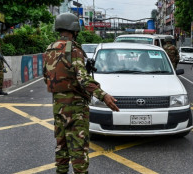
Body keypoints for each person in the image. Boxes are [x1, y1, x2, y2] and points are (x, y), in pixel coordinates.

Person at [43, 13, 119, 174]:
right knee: (78, 149)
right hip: (76, 108)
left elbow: (46, 76)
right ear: (74, 28)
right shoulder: (73, 49)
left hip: (58, 106)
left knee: (61, 146)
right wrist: (103, 95)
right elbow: (83, 78)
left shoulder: (50, 48)